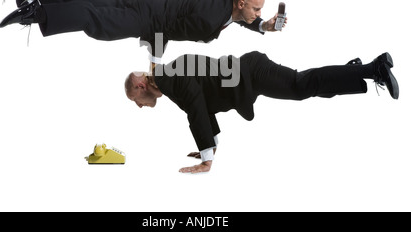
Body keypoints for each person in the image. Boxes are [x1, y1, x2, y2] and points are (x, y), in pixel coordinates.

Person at [124, 51, 399, 174]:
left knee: (301, 85)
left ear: (140, 85)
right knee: (303, 87)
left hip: (252, 74)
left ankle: (371, 68)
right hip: (248, 77)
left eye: (135, 99)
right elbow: (203, 107)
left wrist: (207, 159)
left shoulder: (170, 77)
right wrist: (212, 145)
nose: (139, 105)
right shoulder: (170, 79)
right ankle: (352, 70)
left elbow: (195, 109)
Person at [0, 0, 286, 64]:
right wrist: (154, 61)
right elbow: (168, 30)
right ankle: (38, 13)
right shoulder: (208, 20)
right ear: (243, 3)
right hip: (146, 16)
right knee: (95, 21)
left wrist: (263, 26)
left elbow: (238, 18)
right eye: (257, 11)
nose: (258, 14)